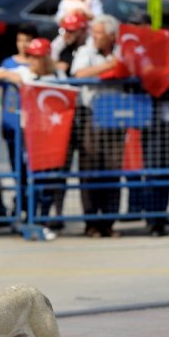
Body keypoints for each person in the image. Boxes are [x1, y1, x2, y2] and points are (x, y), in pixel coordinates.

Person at [0, 38, 68, 240]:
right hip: (29, 137)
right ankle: (29, 217)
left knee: (47, 179)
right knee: (27, 178)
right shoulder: (25, 73)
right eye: (31, 56)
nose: (32, 61)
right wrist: (10, 75)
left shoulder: (57, 76)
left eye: (36, 57)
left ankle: (43, 218)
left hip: (49, 136)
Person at [71, 14, 125, 238]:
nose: (95, 36)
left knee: (112, 171)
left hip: (115, 116)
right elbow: (78, 74)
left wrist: (116, 64)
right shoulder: (86, 51)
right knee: (90, 170)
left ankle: (108, 222)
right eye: (93, 32)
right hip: (91, 116)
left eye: (99, 33)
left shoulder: (121, 50)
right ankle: (91, 222)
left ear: (111, 35)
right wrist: (107, 67)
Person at [52, 12, 89, 76]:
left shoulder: (91, 43)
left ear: (83, 31)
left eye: (71, 31)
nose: (66, 34)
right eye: (65, 30)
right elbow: (51, 58)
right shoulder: (62, 40)